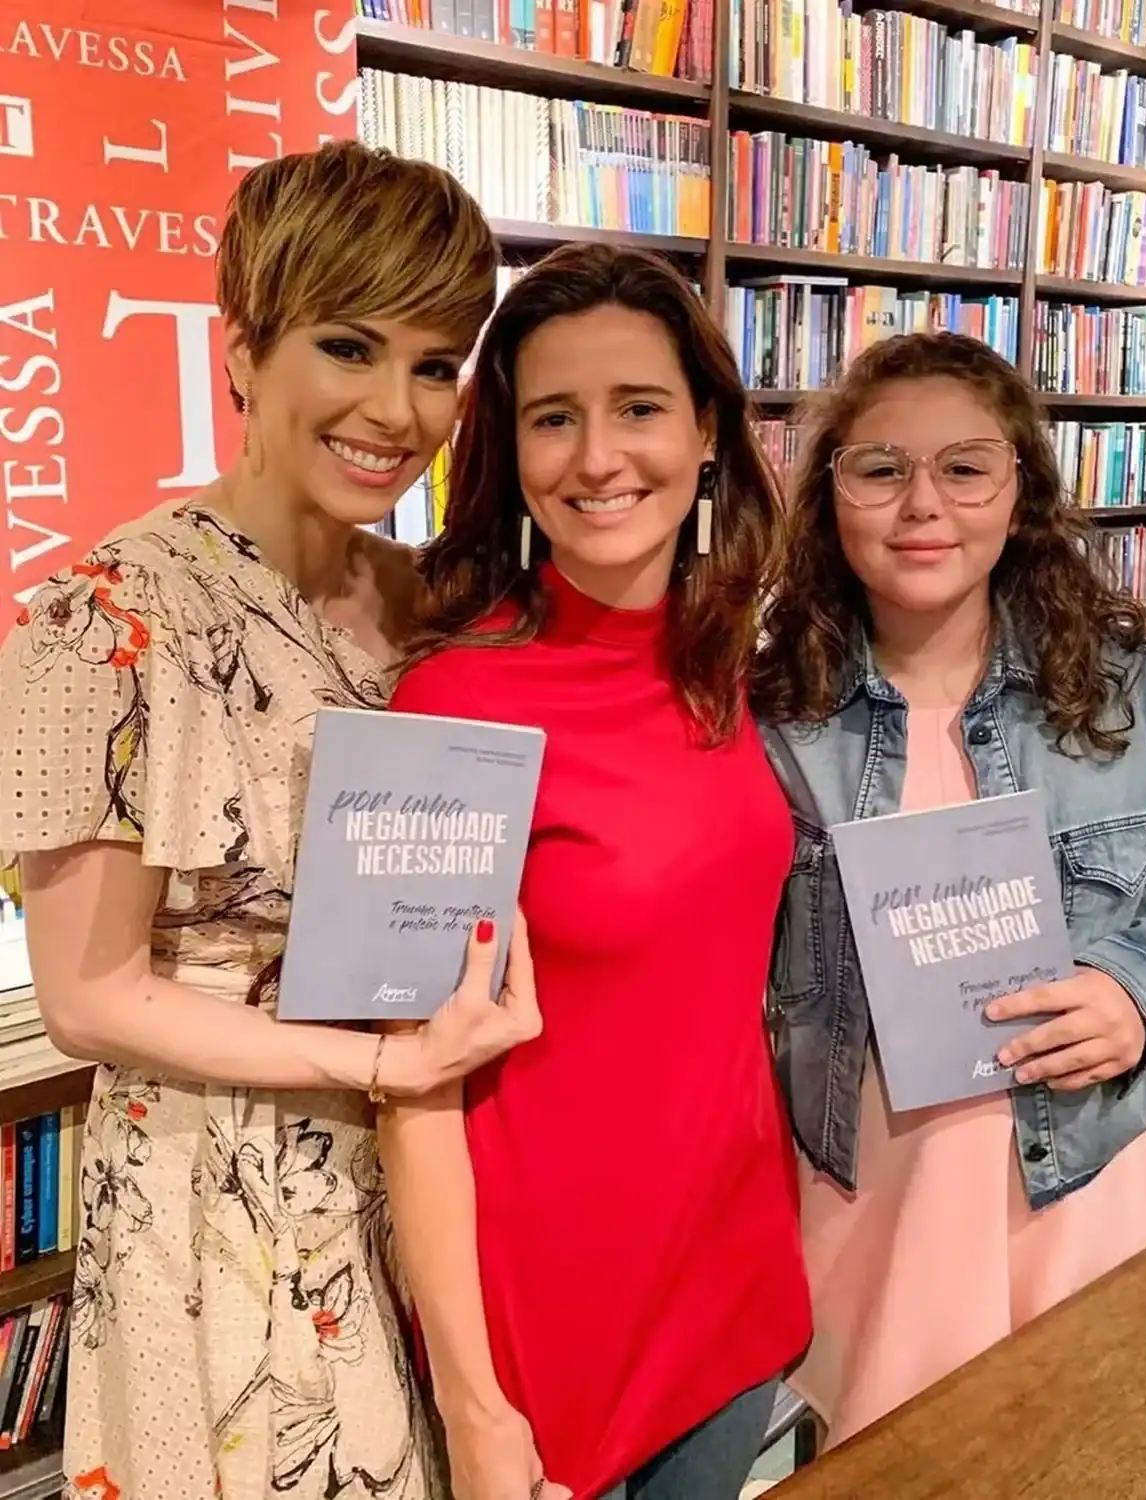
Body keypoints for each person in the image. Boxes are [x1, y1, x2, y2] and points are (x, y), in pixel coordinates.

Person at [0, 141, 545, 1500]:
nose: (395, 409)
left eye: (435, 364)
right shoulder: (103, 621)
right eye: (348, 347)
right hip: (220, 1203)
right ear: (242, 349)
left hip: (430, 1171)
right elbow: (89, 998)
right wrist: (375, 1070)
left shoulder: (426, 603)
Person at [376, 243, 813, 1500]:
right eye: (554, 417)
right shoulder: (451, 703)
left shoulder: (736, 664)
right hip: (546, 1329)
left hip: (731, 1281)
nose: (598, 456)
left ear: (708, 431)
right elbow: (411, 1083)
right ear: (509, 450)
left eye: (639, 408)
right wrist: (473, 1405)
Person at [754, 330, 1146, 1447]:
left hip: (1090, 1171)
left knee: (1095, 1446)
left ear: (1020, 493)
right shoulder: (771, 710)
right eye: (880, 468)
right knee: (901, 1456)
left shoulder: (1127, 680)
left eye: (964, 468)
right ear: (830, 495)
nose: (923, 505)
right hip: (879, 1195)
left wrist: (1142, 987)